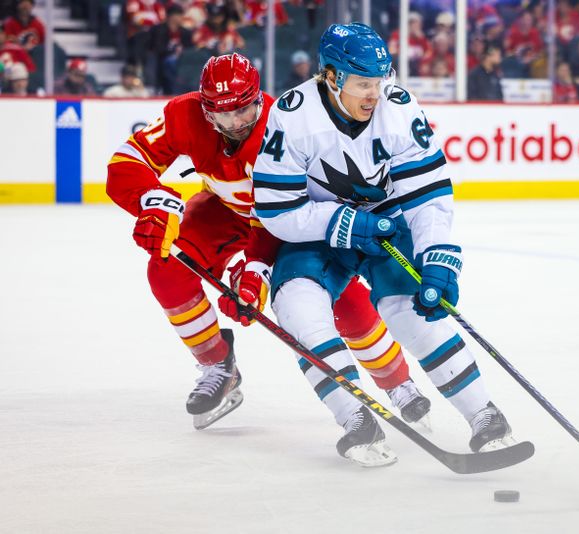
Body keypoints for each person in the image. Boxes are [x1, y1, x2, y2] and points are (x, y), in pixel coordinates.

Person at [106, 53, 431, 431]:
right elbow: (128, 159)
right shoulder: (184, 114)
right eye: (223, 116)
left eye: (244, 111)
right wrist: (152, 199)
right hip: (225, 209)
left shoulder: (282, 127)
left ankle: (397, 382)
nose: (235, 124)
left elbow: (281, 215)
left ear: (259, 98)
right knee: (166, 270)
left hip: (290, 221)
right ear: (206, 109)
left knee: (345, 302)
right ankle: (217, 364)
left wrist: (256, 266)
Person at [249, 23, 516, 467]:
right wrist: (344, 223)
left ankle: (485, 415)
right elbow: (277, 211)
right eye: (362, 84)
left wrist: (438, 260)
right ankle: (355, 417)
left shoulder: (399, 107)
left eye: (379, 80)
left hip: (387, 225)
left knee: (412, 306)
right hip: (320, 231)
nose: (374, 94)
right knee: (296, 302)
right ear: (332, 77)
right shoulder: (292, 116)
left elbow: (429, 195)